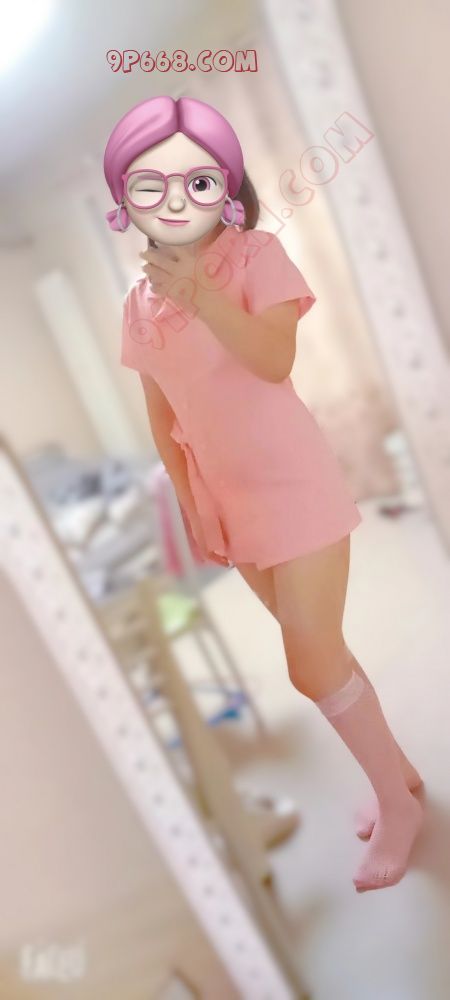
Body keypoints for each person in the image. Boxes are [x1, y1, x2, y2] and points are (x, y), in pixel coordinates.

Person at [103, 95, 424, 891]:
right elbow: (162, 415)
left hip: (292, 482)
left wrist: (201, 297)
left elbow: (273, 362)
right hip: (230, 502)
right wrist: (194, 506)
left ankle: (397, 806)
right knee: (324, 652)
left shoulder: (255, 255)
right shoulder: (137, 305)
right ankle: (399, 775)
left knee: (309, 665)